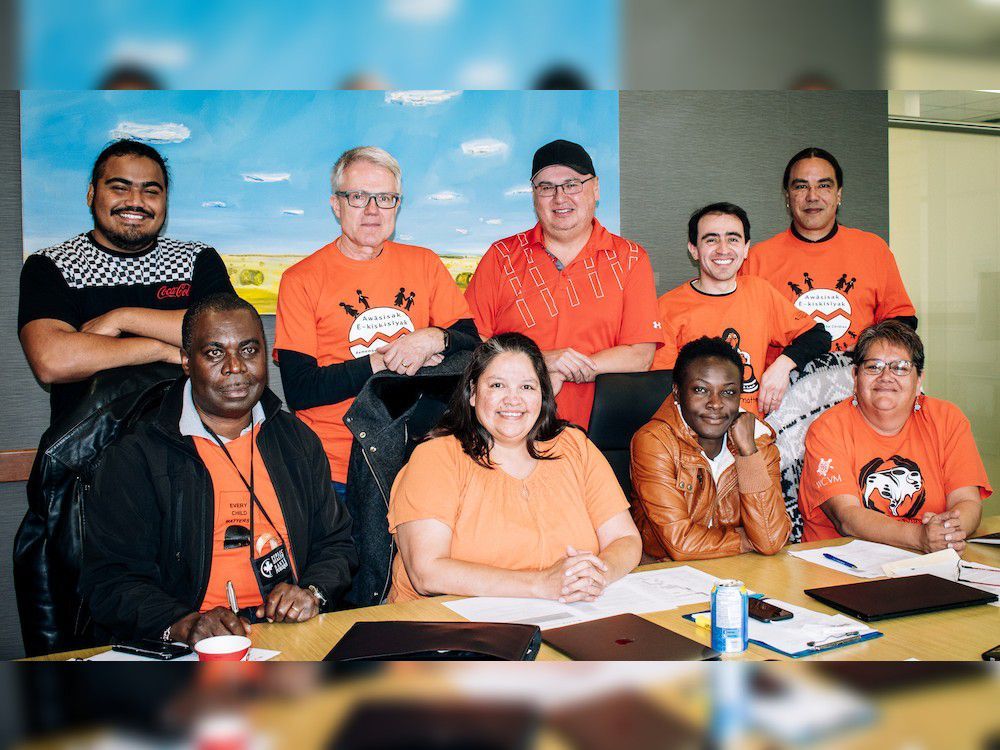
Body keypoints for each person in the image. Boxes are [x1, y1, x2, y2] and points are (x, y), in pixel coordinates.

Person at [80, 294, 357, 645]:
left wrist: (312, 592)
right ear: (185, 361)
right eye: (214, 353)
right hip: (192, 644)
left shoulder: (297, 440)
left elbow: (336, 544)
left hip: (293, 636)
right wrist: (183, 624)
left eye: (248, 350)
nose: (235, 367)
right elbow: (110, 582)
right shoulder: (137, 456)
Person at [274, 146, 479, 499]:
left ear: (397, 206)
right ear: (336, 205)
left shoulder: (425, 264)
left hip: (418, 458)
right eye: (358, 197)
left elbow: (472, 342)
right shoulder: (300, 279)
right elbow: (301, 390)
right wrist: (382, 362)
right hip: (332, 469)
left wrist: (433, 337)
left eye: (384, 198)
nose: (372, 210)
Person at [387, 332, 642, 603]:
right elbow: (426, 574)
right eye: (497, 385)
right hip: (445, 630)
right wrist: (541, 584)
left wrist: (596, 575)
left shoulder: (574, 446)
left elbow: (626, 539)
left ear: (543, 395)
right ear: (473, 394)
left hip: (561, 615)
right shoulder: (436, 458)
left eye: (527, 387)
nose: (513, 399)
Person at [18, 139, 236, 425]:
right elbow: (53, 360)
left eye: (151, 191)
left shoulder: (196, 259)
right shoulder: (52, 265)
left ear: (164, 200)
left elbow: (226, 332)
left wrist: (123, 319)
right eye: (119, 188)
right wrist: (158, 349)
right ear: (91, 194)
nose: (135, 201)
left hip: (192, 443)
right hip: (95, 452)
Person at [464, 139, 662, 429]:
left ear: (595, 189)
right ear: (534, 195)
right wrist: (540, 362)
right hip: (509, 427)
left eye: (572, 184)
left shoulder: (631, 258)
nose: (559, 198)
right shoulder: (501, 256)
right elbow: (471, 344)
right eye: (546, 187)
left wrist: (565, 369)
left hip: (602, 432)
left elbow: (640, 355)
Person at [799, 321, 991, 550]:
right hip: (839, 566)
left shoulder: (947, 419)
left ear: (919, 380)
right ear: (855, 376)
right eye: (873, 366)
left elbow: (967, 501)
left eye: (900, 367)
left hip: (928, 562)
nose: (886, 376)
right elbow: (847, 517)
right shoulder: (827, 429)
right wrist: (920, 537)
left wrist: (946, 533)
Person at [653, 202, 831, 415]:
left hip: (752, 433)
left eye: (733, 239)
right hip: (693, 432)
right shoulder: (667, 307)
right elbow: (664, 390)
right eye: (711, 239)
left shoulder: (760, 292)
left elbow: (818, 336)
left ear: (746, 248)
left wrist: (782, 367)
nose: (723, 249)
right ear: (694, 250)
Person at [741, 147, 917, 359]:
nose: (812, 196)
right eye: (801, 186)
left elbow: (901, 320)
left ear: (838, 194)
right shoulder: (757, 259)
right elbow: (742, 329)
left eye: (824, 185)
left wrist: (865, 348)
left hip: (857, 384)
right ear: (788, 196)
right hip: (783, 388)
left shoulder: (873, 249)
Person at [631, 337, 791, 562]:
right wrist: (745, 540)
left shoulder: (758, 440)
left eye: (728, 392)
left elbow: (770, 540)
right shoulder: (654, 442)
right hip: (666, 575)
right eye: (701, 390)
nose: (715, 404)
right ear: (677, 392)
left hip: (736, 573)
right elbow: (681, 544)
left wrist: (748, 453)